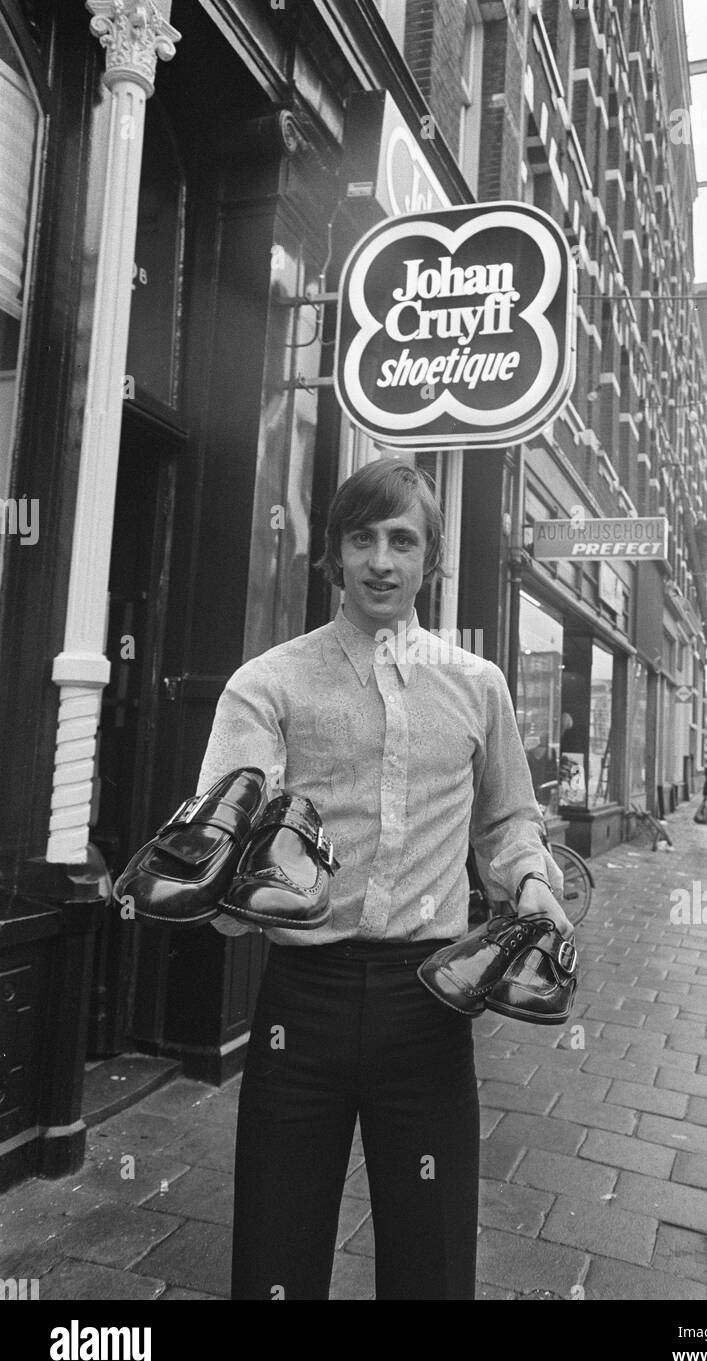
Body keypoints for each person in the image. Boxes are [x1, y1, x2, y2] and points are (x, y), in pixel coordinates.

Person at [195, 458, 572, 1301]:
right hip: (304, 999)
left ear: (430, 560)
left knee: (432, 1262)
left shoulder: (479, 688)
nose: (380, 560)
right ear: (331, 554)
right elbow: (228, 824)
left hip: (429, 1004)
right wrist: (224, 874)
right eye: (360, 538)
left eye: (402, 541)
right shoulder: (268, 684)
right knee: (274, 1251)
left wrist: (532, 883)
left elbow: (506, 821)